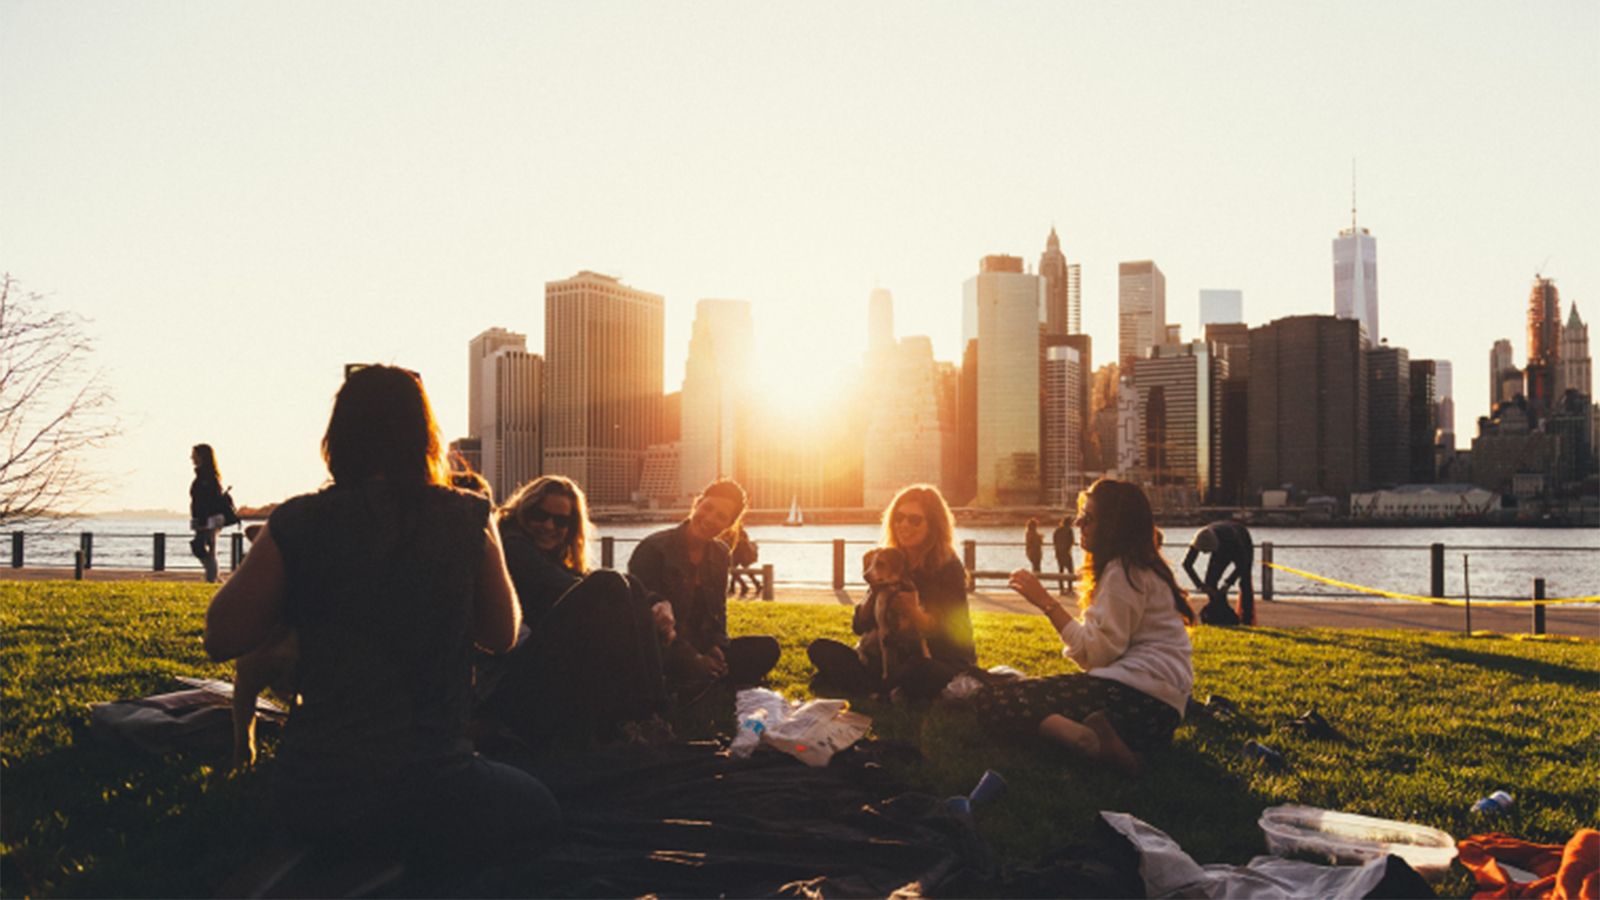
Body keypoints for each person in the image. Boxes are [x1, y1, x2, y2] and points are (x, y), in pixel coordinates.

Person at [202, 365, 558, 870]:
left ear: (337, 438)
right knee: (539, 807)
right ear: (425, 437)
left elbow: (221, 636)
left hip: (315, 791)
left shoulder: (297, 521)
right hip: (435, 787)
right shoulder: (469, 515)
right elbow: (501, 635)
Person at [971, 478, 1194, 777]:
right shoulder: (1142, 568)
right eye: (1080, 516)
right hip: (1160, 714)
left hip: (1134, 699)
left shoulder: (1122, 573)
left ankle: (1086, 741)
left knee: (995, 701)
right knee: (1024, 694)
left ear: (1114, 525)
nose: (1079, 524)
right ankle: (1109, 743)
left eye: (1087, 518)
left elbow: (1095, 655)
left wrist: (1046, 603)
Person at [478, 475, 673, 748]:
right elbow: (568, 587)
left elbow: (579, 579)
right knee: (609, 584)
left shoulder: (549, 556)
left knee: (632, 584)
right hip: (508, 680)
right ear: (523, 511)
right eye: (539, 515)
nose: (548, 526)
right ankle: (641, 715)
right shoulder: (513, 546)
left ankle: (649, 716)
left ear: (571, 528)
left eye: (561, 521)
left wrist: (655, 601)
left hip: (535, 670)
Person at [807, 484, 976, 700]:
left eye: (914, 520)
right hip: (888, 657)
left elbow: (953, 632)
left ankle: (870, 687)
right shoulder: (888, 561)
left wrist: (914, 613)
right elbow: (859, 626)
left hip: (937, 658)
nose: (904, 524)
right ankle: (882, 689)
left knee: (918, 669)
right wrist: (873, 597)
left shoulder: (948, 567)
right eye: (899, 517)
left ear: (933, 525)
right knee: (820, 648)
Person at [629, 479, 779, 691]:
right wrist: (694, 659)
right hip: (662, 646)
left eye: (721, 516)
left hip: (699, 643)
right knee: (660, 659)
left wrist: (716, 646)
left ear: (728, 525)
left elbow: (718, 612)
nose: (709, 518)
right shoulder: (654, 548)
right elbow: (650, 621)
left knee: (767, 647)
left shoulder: (720, 554)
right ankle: (698, 677)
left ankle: (703, 676)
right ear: (697, 504)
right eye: (707, 507)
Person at [1182, 520, 1256, 626]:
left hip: (1241, 540)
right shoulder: (1199, 538)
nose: (1204, 553)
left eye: (1207, 551)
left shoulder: (1232, 539)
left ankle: (1247, 619)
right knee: (1210, 582)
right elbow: (1187, 564)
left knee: (1245, 580)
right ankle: (1219, 611)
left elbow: (1243, 564)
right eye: (1203, 551)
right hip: (1219, 541)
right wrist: (1200, 585)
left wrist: (1228, 583)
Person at [189, 444, 226, 583]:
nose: (191, 458)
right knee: (204, 547)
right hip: (203, 518)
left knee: (204, 547)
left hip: (208, 519)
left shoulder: (207, 477)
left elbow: (208, 500)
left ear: (201, 456)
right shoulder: (204, 475)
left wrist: (203, 519)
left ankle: (212, 578)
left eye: (194, 455)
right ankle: (214, 577)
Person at [727, 525, 761, 598]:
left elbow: (734, 543)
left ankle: (742, 586)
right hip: (741, 554)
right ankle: (756, 584)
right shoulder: (742, 532)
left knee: (734, 571)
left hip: (738, 554)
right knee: (741, 571)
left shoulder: (736, 533)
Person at [1051, 514, 1077, 592]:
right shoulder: (1069, 530)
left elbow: (1054, 541)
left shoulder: (1057, 530)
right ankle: (1070, 588)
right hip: (1066, 552)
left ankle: (1061, 588)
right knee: (1070, 571)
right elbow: (1071, 541)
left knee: (1061, 571)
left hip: (1059, 553)